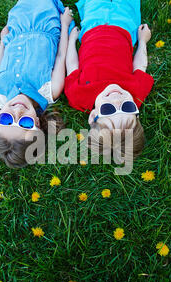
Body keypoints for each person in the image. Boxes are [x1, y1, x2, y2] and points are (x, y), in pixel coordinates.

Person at [0, 0, 73, 168]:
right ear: (37, 124)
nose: (17, 110)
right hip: (45, 22)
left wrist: (3, 41)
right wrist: (64, 25)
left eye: (7, 119)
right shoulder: (49, 90)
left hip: (18, 25)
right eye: (25, 123)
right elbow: (61, 56)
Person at [65, 0, 154, 161]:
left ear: (93, 116)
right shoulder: (137, 93)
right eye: (127, 107)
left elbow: (72, 65)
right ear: (136, 113)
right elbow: (140, 64)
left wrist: (71, 41)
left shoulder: (78, 95)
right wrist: (142, 41)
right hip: (124, 27)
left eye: (107, 109)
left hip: (93, 26)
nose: (116, 98)